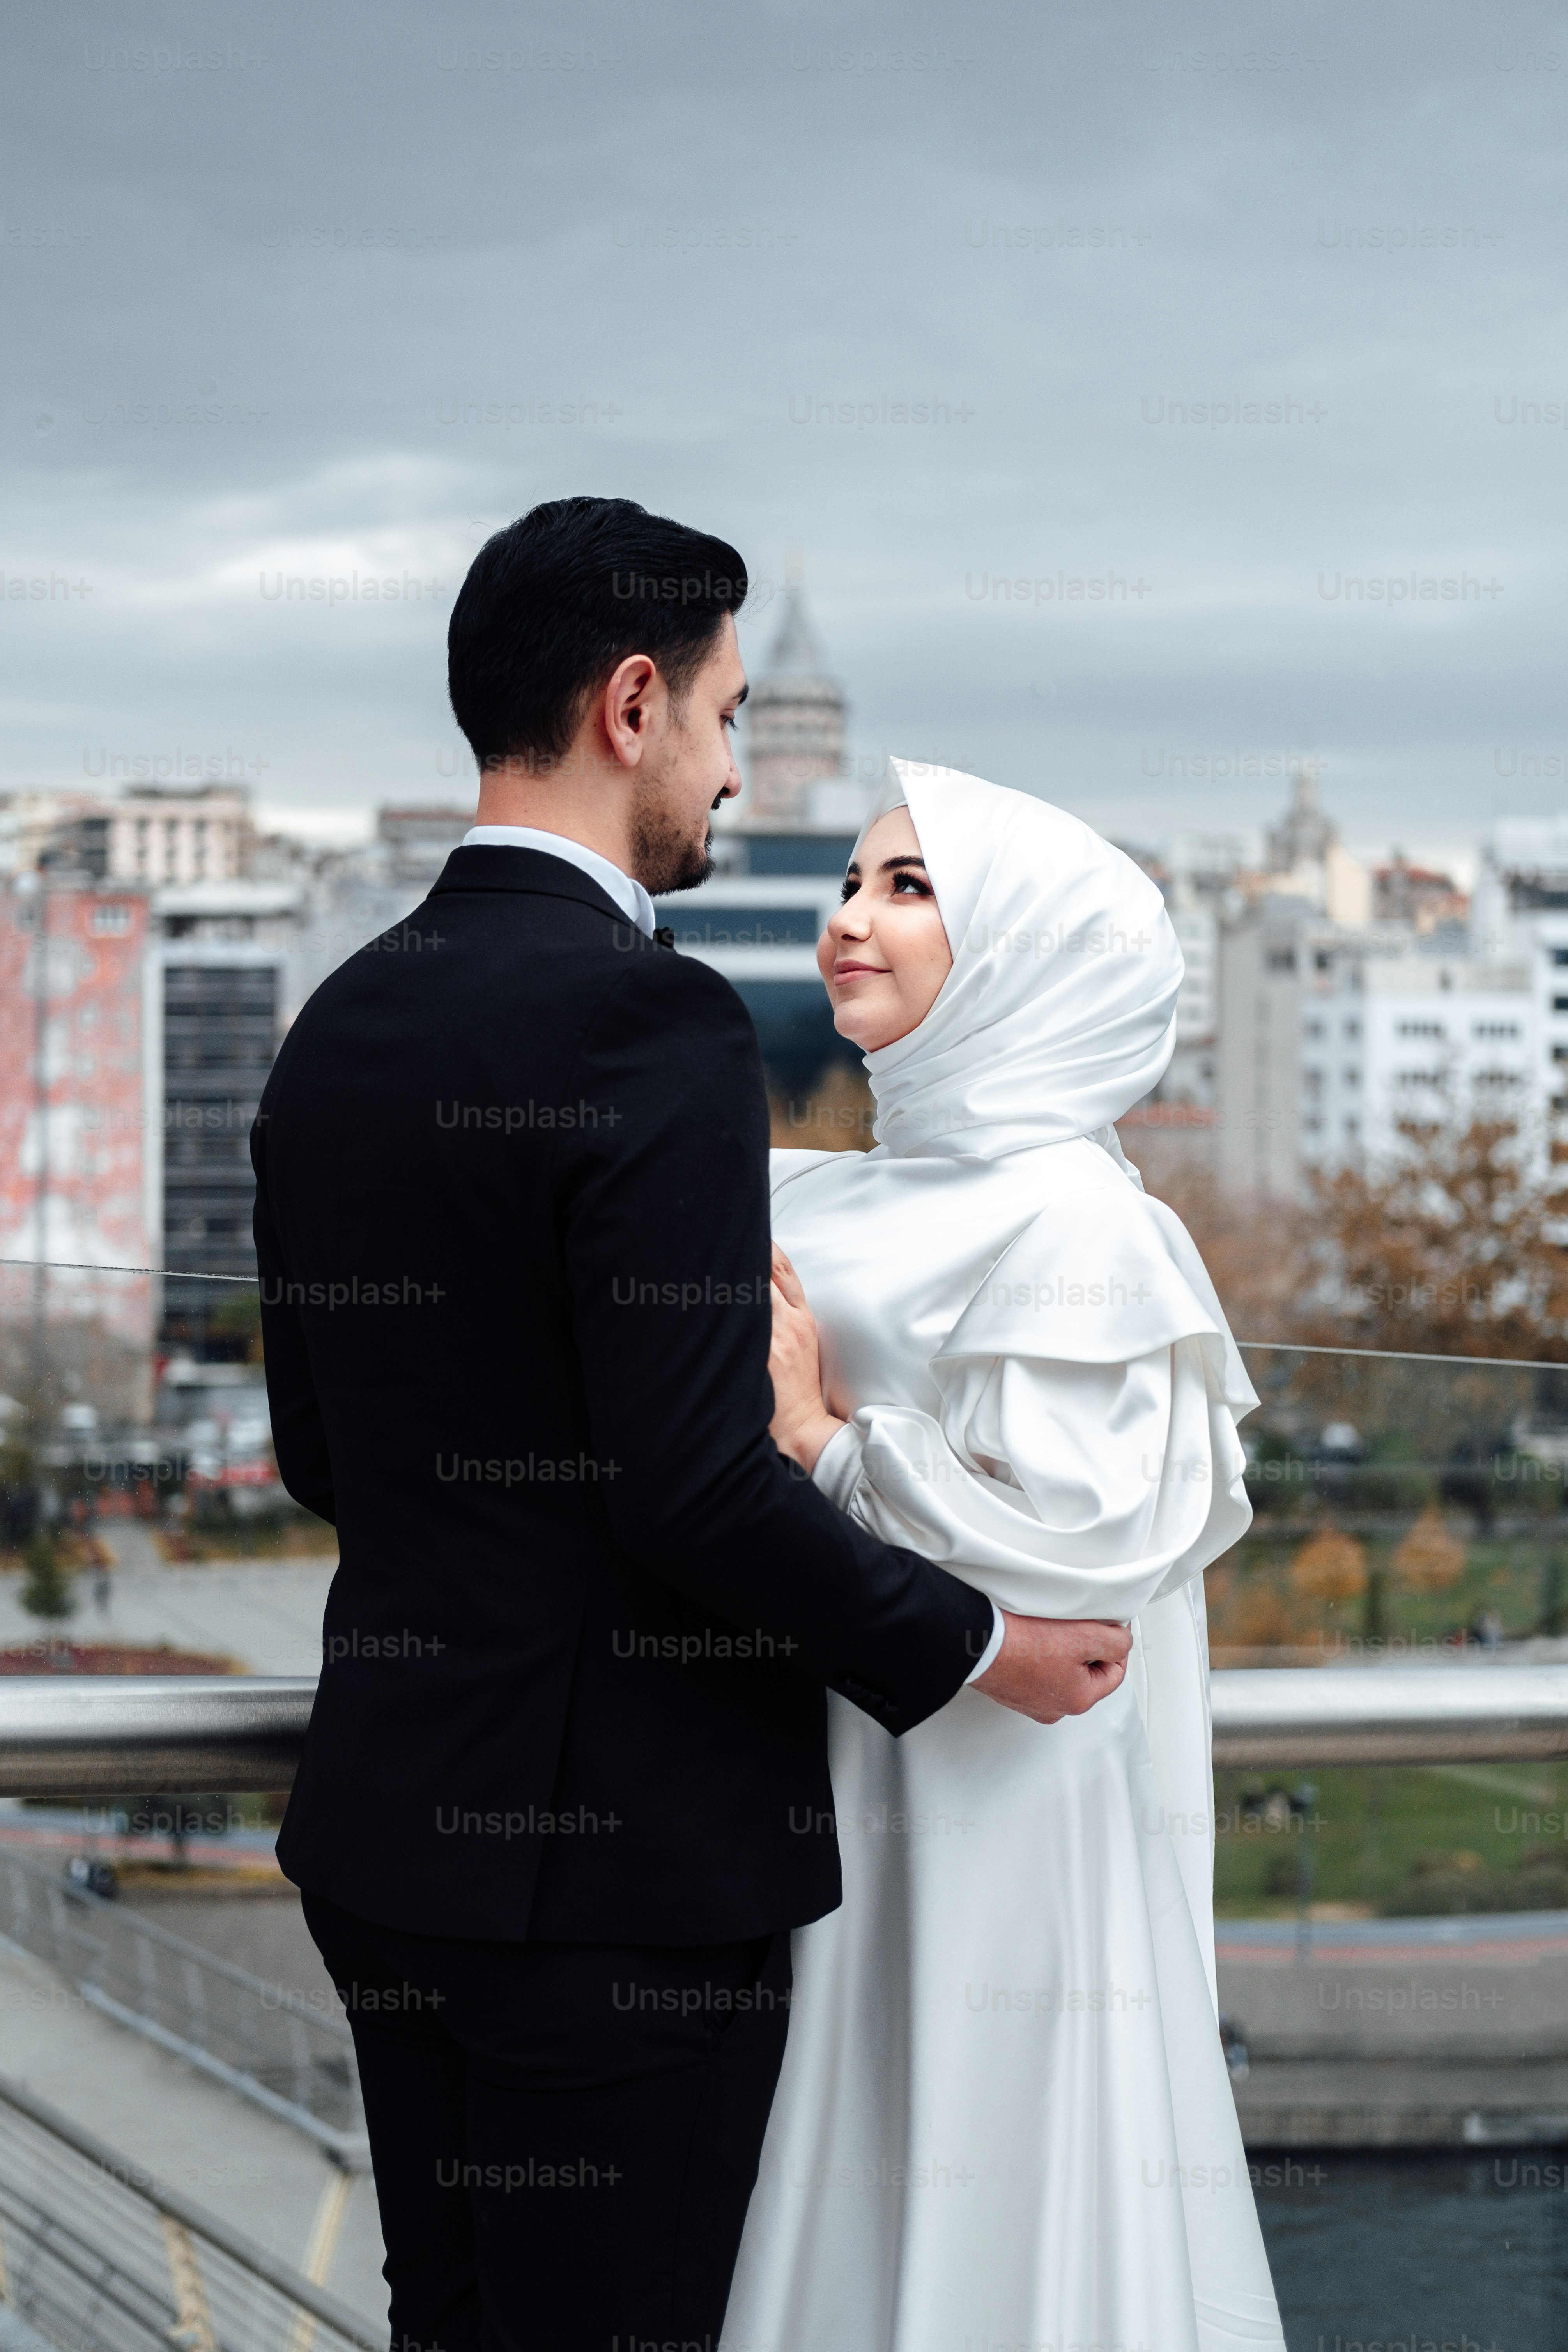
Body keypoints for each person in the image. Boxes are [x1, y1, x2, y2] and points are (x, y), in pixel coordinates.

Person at [251, 501, 1128, 2352]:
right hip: (617, 1887)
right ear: (632, 706)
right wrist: (978, 1645)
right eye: (729, 720)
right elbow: (689, 1477)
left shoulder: (339, 1022)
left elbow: (325, 1454)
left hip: (390, 1853)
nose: (736, 772)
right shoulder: (649, 1021)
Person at [723, 761, 1286, 2352]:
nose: (847, 920)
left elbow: (1082, 1553)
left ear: (1031, 954)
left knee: (985, 2149)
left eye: (909, 890)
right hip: (826, 1759)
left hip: (1002, 1782)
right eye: (850, 881)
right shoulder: (810, 1183)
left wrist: (830, 1448)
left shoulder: (1085, 1226)